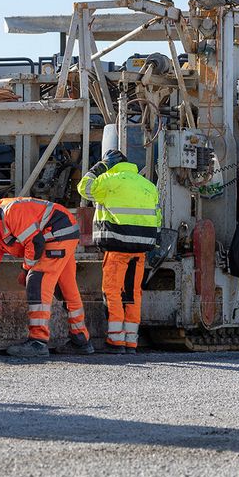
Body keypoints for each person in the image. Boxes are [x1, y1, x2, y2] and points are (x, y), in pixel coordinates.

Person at [0, 195, 92, 358]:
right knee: (66, 289)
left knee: (37, 281)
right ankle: (80, 340)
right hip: (61, 233)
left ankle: (38, 342)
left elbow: (35, 243)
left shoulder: (11, 213)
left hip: (56, 233)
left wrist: (26, 270)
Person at [77, 149, 161, 353]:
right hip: (140, 249)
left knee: (113, 292)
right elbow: (157, 218)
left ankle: (115, 341)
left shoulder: (109, 179)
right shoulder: (148, 185)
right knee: (133, 294)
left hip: (117, 247)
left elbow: (84, 189)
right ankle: (131, 342)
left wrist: (98, 168)